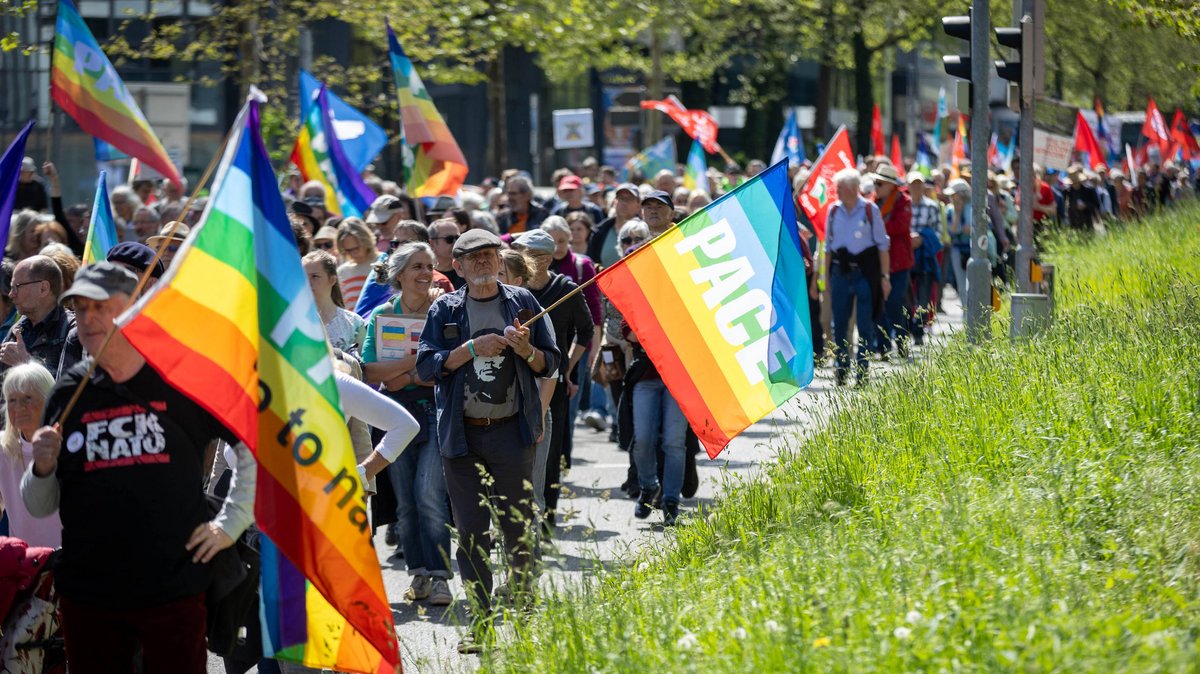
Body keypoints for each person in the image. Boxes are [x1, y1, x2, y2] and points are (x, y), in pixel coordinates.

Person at [21, 263, 256, 673]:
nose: (87, 319)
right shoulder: (67, 392)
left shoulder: (184, 377)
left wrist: (230, 524)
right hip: (89, 594)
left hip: (172, 590)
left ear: (138, 310)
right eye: (79, 308)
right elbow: (40, 505)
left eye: (100, 307)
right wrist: (41, 468)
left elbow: (254, 446)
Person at [415, 229, 559, 653]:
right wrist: (470, 350)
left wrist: (526, 351)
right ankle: (480, 623)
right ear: (455, 266)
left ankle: (525, 610)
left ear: (500, 260)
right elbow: (426, 366)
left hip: (513, 434)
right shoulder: (444, 309)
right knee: (472, 533)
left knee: (518, 527)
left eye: (488, 255)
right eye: (471, 257)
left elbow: (549, 363)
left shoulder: (523, 302)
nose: (482, 262)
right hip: (462, 440)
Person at [360, 242, 454, 608]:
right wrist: (418, 364)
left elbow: (445, 369)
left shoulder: (444, 312)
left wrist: (404, 369)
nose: (426, 273)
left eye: (429, 266)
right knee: (405, 502)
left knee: (429, 493)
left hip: (436, 412)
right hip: (394, 416)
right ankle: (418, 573)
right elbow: (371, 371)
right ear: (399, 274)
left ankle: (441, 577)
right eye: (417, 266)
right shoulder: (381, 316)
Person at [513, 230, 592, 530]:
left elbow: (585, 330)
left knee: (550, 449)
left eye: (524, 251)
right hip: (515, 380)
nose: (517, 255)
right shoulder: (512, 289)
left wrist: (569, 366)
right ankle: (515, 521)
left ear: (544, 259)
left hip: (552, 380)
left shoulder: (566, 289)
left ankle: (545, 520)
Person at [824, 169, 890, 386]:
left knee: (865, 324)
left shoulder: (870, 210)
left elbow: (882, 246)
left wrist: (884, 277)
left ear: (853, 189)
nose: (836, 192)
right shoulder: (833, 211)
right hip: (840, 273)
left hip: (865, 273)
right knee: (839, 324)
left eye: (840, 188)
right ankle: (841, 370)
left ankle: (862, 373)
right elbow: (827, 248)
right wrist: (826, 279)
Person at [0, 363, 61, 548]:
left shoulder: (68, 445)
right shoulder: (2, 448)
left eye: (28, 398)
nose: (19, 407)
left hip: (70, 562)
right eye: (12, 400)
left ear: (48, 400)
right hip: (26, 567)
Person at [1, 255, 76, 377]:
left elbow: (67, 391)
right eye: (11, 287)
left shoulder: (71, 331)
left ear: (43, 288)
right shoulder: (18, 328)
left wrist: (25, 363)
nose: (11, 294)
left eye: (17, 287)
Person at [867, 164, 913, 359]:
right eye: (875, 183)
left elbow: (899, 226)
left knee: (894, 304)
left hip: (899, 263)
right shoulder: (873, 202)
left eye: (879, 184)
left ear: (890, 185)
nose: (876, 187)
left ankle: (901, 341)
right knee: (878, 306)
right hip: (877, 262)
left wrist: (876, 226)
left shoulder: (904, 201)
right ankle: (883, 347)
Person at [304, 250, 365, 353]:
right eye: (303, 276)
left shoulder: (353, 322)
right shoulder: (292, 318)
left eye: (314, 276)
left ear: (332, 280)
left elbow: (362, 365)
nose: (308, 282)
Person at [907, 173, 943, 347]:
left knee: (924, 296)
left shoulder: (932, 207)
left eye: (918, 184)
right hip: (906, 255)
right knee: (906, 296)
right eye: (912, 184)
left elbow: (939, 234)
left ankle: (919, 330)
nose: (915, 188)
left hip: (925, 256)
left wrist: (922, 238)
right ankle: (906, 328)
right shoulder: (904, 206)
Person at [588, 183, 641, 268]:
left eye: (629, 199)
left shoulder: (647, 232)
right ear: (614, 202)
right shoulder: (599, 232)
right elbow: (592, 264)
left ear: (639, 205)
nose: (624, 203)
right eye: (621, 198)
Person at [336, 218, 382, 310]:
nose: (353, 253)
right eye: (348, 250)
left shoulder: (383, 261)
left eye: (356, 248)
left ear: (366, 241)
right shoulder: (342, 272)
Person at [429, 218, 466, 289]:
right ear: (432, 244)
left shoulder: (467, 272)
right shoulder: (425, 275)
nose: (455, 243)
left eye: (458, 238)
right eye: (449, 239)